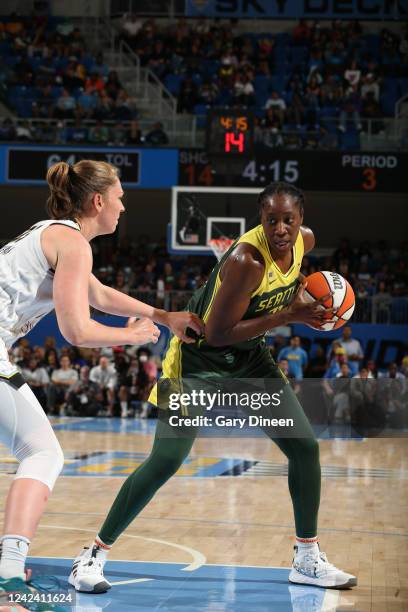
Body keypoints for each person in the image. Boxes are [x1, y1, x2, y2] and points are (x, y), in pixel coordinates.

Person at [71, 182, 357, 592]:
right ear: (260, 219)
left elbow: (280, 291)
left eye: (288, 220)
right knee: (167, 460)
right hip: (198, 360)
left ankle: (307, 557)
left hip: (249, 359)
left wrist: (302, 298)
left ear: (301, 221)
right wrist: (288, 316)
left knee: (304, 446)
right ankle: (92, 556)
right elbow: (219, 333)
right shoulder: (246, 260)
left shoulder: (303, 244)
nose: (280, 229)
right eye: (271, 220)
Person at [0, 159, 203, 600]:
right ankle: (9, 571)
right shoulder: (71, 242)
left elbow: (98, 294)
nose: (123, 206)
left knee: (36, 451)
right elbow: (76, 330)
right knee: (42, 454)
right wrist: (128, 336)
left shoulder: (55, 234)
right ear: (98, 201)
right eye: (120, 197)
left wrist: (162, 316)